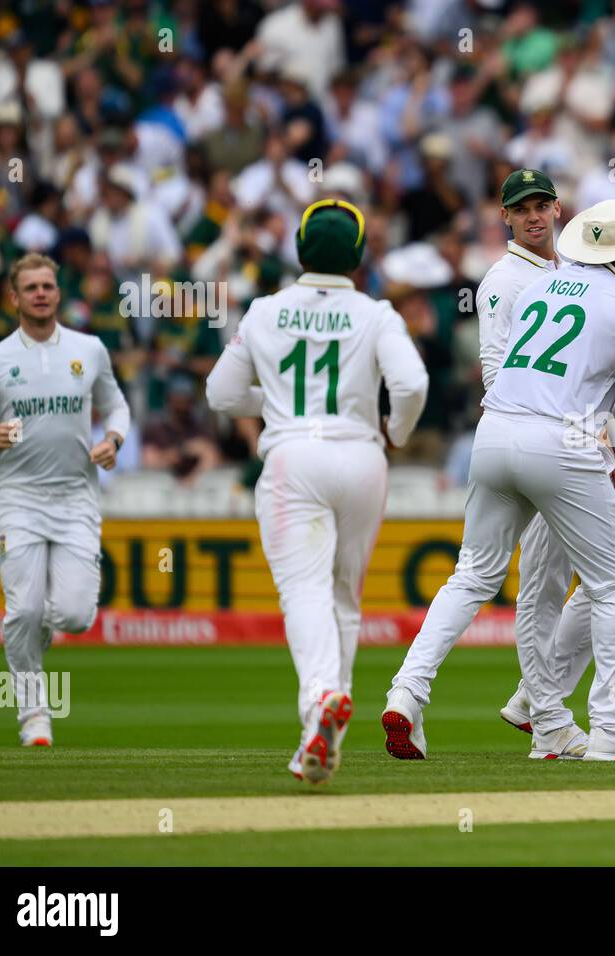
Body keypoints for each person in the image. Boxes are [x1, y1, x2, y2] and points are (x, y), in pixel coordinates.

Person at [383, 199, 615, 763]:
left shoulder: (540, 289)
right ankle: (606, 728)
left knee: (473, 575)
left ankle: (410, 690)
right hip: (564, 442)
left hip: (495, 433)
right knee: (610, 584)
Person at [205, 199, 430, 783]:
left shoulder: (264, 310)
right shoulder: (376, 312)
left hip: (292, 458)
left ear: (300, 250)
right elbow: (411, 383)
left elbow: (222, 395)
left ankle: (321, 705)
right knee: (344, 599)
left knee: (303, 593)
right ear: (358, 255)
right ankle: (325, 737)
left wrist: (276, 402)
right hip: (361, 456)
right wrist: (396, 433)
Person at [478, 170, 615, 760]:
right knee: (548, 585)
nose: (536, 216)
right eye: (523, 209)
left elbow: (584, 374)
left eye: (543, 205)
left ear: (558, 209)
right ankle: (547, 710)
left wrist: (605, 443)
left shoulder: (562, 276)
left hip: (572, 443)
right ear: (506, 216)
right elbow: (500, 374)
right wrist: (594, 442)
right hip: (544, 442)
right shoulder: (505, 280)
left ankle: (535, 696)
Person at [0, 253, 130, 747]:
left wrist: (114, 440)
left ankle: (34, 639)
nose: (41, 293)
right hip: (18, 499)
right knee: (24, 611)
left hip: (77, 497)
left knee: (76, 616)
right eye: (31, 287)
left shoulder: (90, 349)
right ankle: (34, 714)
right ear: (13, 297)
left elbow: (116, 405)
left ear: (58, 293)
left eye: (48, 286)